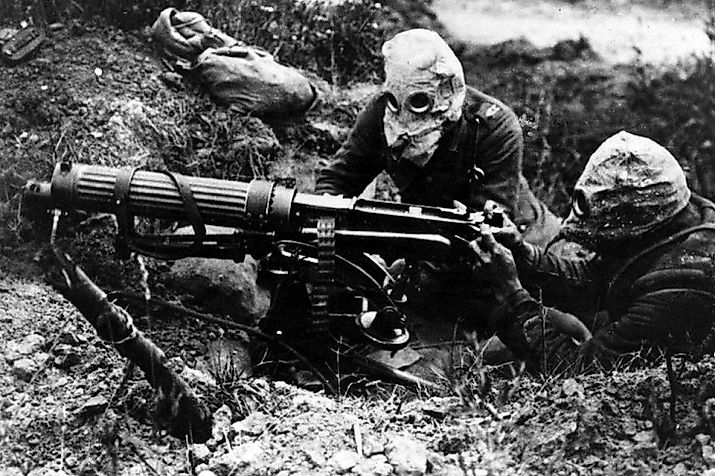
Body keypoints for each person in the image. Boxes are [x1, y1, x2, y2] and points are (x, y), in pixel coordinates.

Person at [314, 28, 563, 330]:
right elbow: (337, 180)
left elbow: (487, 234)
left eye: (420, 102)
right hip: (430, 241)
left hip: (520, 241)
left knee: (541, 323)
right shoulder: (381, 114)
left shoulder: (495, 127)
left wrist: (406, 265)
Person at [471, 131, 715, 374]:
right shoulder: (674, 219)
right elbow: (597, 277)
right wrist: (524, 257)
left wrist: (512, 297)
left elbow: (580, 369)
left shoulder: (682, 287)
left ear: (632, 231)